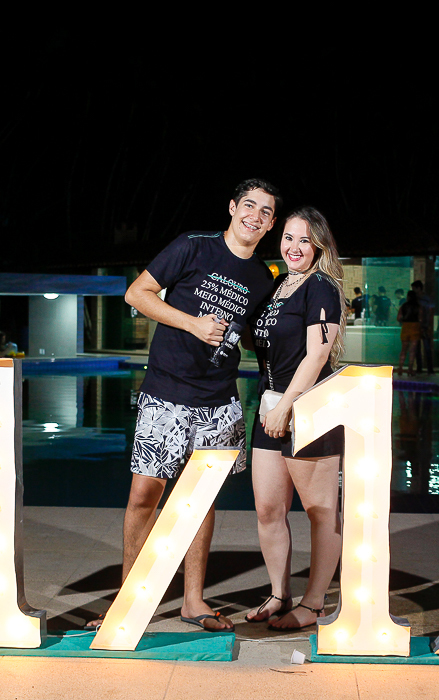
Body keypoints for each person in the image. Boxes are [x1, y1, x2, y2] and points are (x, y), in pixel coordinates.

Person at [86, 178, 279, 632]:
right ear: (232, 207)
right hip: (166, 392)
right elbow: (137, 294)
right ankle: (128, 599)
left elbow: (254, 337)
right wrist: (193, 324)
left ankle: (193, 601)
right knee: (143, 496)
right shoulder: (193, 246)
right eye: (249, 205)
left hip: (219, 402)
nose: (255, 215)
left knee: (200, 501)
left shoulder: (261, 277)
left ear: (271, 224)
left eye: (266, 211)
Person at [247, 205, 345, 632]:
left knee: (320, 510)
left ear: (318, 246)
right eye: (289, 238)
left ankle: (314, 602)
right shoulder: (278, 286)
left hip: (308, 409)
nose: (295, 247)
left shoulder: (320, 287)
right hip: (270, 406)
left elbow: (317, 354)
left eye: (305, 240)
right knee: (268, 508)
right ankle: (278, 593)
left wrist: (287, 405)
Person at [412, 280, 435, 374]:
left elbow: (431, 312)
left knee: (426, 347)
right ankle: (420, 367)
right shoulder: (415, 299)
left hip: (424, 325)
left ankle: (429, 368)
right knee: (418, 348)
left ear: (418, 288)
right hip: (417, 325)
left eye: (414, 288)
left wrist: (429, 325)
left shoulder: (426, 299)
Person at [396, 289, 420, 375]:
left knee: (404, 349)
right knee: (412, 351)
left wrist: (403, 321)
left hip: (405, 327)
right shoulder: (418, 306)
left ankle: (400, 368)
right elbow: (421, 318)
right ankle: (410, 369)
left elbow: (398, 318)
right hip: (415, 328)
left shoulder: (404, 306)